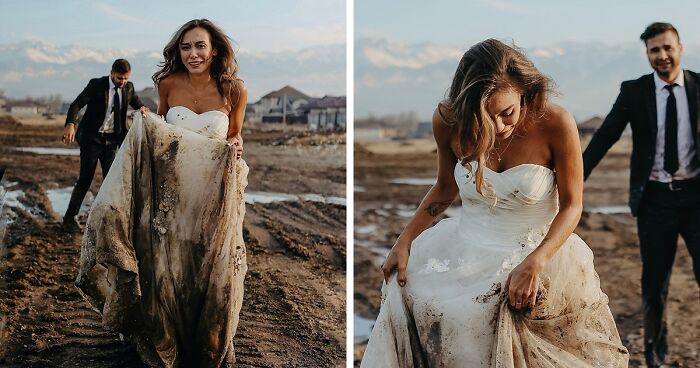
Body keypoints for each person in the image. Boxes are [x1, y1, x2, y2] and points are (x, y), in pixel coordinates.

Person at [361, 39, 628, 367]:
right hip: (467, 246)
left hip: (537, 250)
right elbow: (445, 188)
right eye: (485, 118)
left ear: (524, 91)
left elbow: (573, 205)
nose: (499, 127)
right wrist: (404, 240)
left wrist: (535, 263)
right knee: (405, 292)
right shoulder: (447, 121)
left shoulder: (555, 122)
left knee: (509, 315)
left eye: (507, 113)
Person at [75, 19, 248, 367]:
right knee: (168, 268)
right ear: (177, 51)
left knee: (212, 269)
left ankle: (210, 340)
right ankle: (167, 337)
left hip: (214, 195)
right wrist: (146, 119)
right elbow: (163, 132)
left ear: (214, 49)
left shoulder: (235, 90)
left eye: (200, 46)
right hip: (172, 194)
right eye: (186, 47)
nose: (193, 54)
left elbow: (235, 136)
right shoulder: (167, 83)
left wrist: (236, 145)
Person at [582, 22, 700, 367]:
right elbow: (604, 138)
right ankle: (656, 359)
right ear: (647, 54)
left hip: (697, 200)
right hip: (655, 201)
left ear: (680, 47)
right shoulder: (634, 92)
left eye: (667, 48)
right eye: (654, 50)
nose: (662, 56)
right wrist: (572, 180)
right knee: (654, 285)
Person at [62, 59, 147, 232]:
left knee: (112, 181)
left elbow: (139, 105)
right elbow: (76, 104)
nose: (121, 81)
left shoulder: (128, 88)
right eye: (118, 78)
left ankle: (107, 220)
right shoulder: (97, 85)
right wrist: (70, 124)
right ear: (111, 72)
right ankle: (69, 218)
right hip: (92, 139)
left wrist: (143, 109)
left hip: (112, 142)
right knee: (85, 179)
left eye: (125, 78)